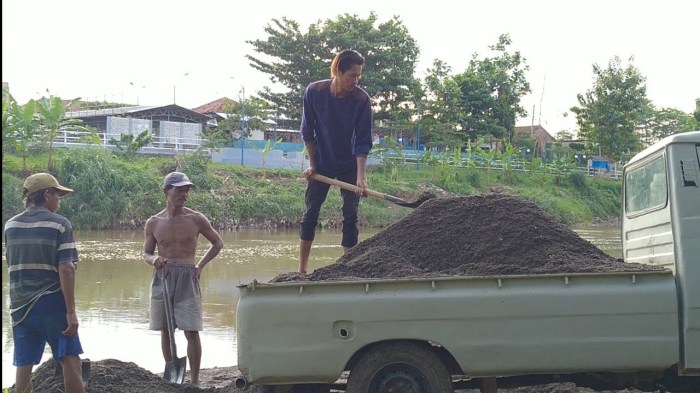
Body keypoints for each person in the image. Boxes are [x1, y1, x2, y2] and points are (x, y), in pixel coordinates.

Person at [4, 173, 85, 393]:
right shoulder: (60, 224)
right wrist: (71, 312)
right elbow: (66, 268)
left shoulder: (10, 226)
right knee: (70, 360)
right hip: (51, 302)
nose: (59, 200)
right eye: (57, 194)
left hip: (20, 305)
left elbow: (12, 263)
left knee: (24, 363)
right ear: (46, 194)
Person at [143, 171, 224, 386]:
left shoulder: (196, 218)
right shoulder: (153, 222)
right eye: (178, 189)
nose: (183, 194)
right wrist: (154, 260)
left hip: (188, 277)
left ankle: (195, 382)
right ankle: (172, 379)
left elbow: (218, 243)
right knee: (165, 329)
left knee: (191, 330)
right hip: (164, 276)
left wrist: (200, 266)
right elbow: (146, 253)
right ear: (166, 191)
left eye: (186, 190)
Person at [298, 49, 373, 274]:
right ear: (338, 72)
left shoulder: (361, 99)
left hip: (349, 164)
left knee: (351, 214)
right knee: (311, 212)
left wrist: (360, 178)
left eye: (358, 76)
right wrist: (312, 165)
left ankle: (348, 270)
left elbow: (362, 141)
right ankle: (301, 270)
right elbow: (307, 132)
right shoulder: (315, 91)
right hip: (323, 162)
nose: (355, 81)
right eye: (352, 75)